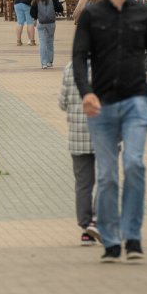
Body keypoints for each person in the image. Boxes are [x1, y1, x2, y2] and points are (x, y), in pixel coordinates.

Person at [71, 0, 147, 263]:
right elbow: (78, 57)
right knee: (109, 175)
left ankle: (134, 237)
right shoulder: (91, 15)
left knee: (135, 165)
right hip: (101, 106)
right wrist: (85, 93)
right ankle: (112, 241)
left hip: (136, 101)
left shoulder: (145, 14)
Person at [58, 58, 98, 244]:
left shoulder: (70, 67)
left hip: (78, 134)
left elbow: (62, 102)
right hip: (103, 132)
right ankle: (97, 220)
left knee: (83, 183)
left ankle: (85, 228)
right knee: (107, 178)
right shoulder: (109, 64)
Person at [33, 0, 64, 69]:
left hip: (41, 23)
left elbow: (33, 11)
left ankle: (44, 63)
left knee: (42, 42)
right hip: (51, 23)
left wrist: (35, 18)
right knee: (50, 41)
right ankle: (50, 61)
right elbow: (60, 8)